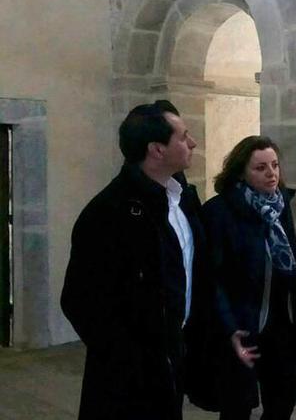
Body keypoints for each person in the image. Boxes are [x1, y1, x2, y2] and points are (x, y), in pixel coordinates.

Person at [61, 100, 204, 420]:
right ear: (157, 150)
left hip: (172, 359)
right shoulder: (107, 213)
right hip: (127, 379)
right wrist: (132, 361)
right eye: (183, 137)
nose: (192, 143)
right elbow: (79, 301)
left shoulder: (181, 201)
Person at [201, 135, 296, 420]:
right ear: (241, 171)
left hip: (280, 321)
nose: (271, 173)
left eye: (275, 165)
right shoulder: (219, 212)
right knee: (237, 407)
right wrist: (229, 328)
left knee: (282, 403)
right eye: (260, 168)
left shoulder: (280, 205)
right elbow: (212, 277)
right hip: (243, 323)